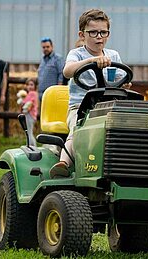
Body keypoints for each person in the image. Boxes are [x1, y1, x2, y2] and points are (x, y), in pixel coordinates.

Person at [49, 9, 129, 177]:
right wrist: (91, 60)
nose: (98, 36)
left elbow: (122, 78)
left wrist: (125, 84)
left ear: (108, 34)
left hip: (108, 107)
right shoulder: (77, 54)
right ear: (82, 34)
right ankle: (63, 162)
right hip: (81, 107)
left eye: (103, 32)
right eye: (93, 32)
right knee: (79, 128)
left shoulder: (113, 55)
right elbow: (67, 71)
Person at [38, 37, 64, 102]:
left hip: (52, 94)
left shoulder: (58, 59)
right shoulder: (42, 60)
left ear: (52, 47)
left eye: (47, 47)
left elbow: (61, 73)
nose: (45, 49)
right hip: (41, 93)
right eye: (43, 47)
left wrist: (58, 90)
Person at [21, 78, 39, 146]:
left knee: (29, 132)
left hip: (30, 114)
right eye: (28, 85)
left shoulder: (32, 93)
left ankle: (32, 146)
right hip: (30, 115)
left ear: (35, 86)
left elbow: (28, 103)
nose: (29, 86)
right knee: (28, 132)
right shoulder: (32, 94)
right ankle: (29, 145)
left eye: (31, 85)